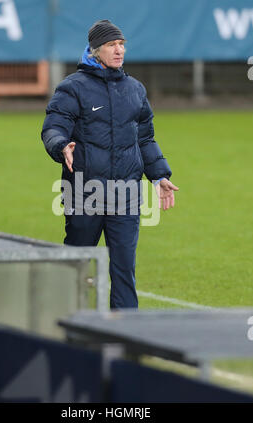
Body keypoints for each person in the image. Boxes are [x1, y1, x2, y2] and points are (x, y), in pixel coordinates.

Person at [41, 19, 179, 309]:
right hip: (84, 193)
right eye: (111, 45)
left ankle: (125, 337)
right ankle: (70, 327)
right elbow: (53, 126)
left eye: (121, 45)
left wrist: (159, 176)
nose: (119, 51)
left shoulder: (135, 90)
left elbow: (145, 139)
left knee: (124, 271)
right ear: (95, 51)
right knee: (76, 267)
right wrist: (60, 144)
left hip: (126, 196)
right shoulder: (72, 88)